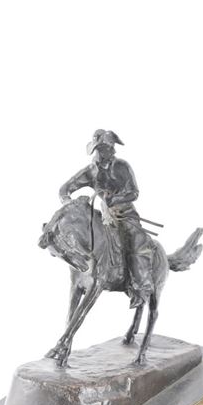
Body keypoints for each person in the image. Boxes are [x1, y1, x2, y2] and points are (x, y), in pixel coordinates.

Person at [58, 129, 154, 308]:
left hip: (126, 214)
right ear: (96, 150)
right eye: (103, 149)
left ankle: (140, 286)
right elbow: (65, 189)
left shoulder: (122, 167)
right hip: (106, 216)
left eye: (109, 148)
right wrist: (69, 203)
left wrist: (114, 199)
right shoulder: (90, 171)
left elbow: (134, 193)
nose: (109, 151)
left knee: (136, 241)